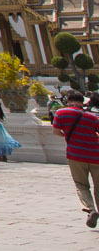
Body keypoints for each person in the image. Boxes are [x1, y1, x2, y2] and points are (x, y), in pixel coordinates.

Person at [52, 88, 99, 228]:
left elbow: (56, 131)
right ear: (82, 102)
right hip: (96, 155)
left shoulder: (61, 113)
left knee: (81, 185)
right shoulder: (92, 117)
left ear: (68, 101)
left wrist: (68, 135)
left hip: (75, 155)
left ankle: (90, 209)